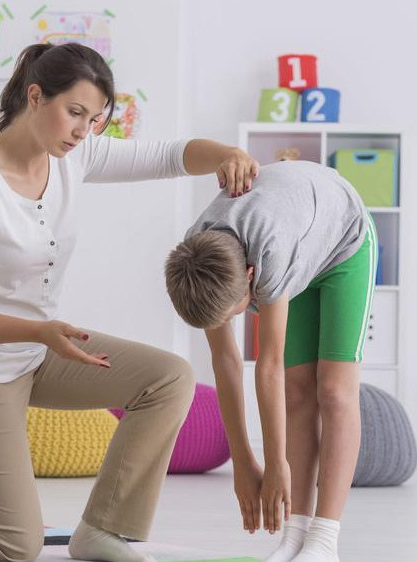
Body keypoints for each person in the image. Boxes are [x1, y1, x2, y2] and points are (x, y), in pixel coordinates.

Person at [0, 42, 260, 562]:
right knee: (15, 543)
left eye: (95, 119)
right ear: (36, 96)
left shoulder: (73, 156)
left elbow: (167, 155)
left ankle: (104, 530)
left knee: (169, 378)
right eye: (75, 112)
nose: (84, 130)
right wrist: (39, 332)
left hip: (42, 352)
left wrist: (226, 155)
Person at [165, 159, 376, 562]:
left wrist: (276, 463)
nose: (229, 323)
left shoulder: (270, 252)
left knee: (333, 391)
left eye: (236, 313)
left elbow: (269, 364)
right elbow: (225, 360)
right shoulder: (198, 260)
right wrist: (244, 461)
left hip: (342, 240)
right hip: (299, 241)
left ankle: (324, 539)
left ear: (250, 276)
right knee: (297, 392)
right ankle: (296, 534)